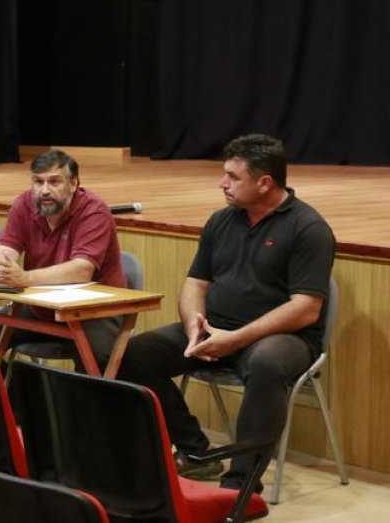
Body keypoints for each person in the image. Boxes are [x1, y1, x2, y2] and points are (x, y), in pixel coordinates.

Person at [118, 134, 334, 490]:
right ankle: (195, 452)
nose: (222, 183)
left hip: (282, 338)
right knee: (132, 354)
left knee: (267, 364)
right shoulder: (222, 220)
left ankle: (241, 487)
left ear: (264, 183)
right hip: (214, 330)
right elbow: (195, 283)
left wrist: (236, 340)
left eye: (233, 176)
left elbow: (305, 309)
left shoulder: (308, 228)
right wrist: (193, 326)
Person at [0, 150, 127, 368]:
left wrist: (24, 278)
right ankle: (12, 399)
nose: (44, 190)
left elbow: (82, 270)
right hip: (43, 307)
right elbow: (7, 248)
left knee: (94, 358)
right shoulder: (24, 204)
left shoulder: (94, 211)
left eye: (54, 182)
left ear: (73, 183)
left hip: (94, 312)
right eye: (37, 182)